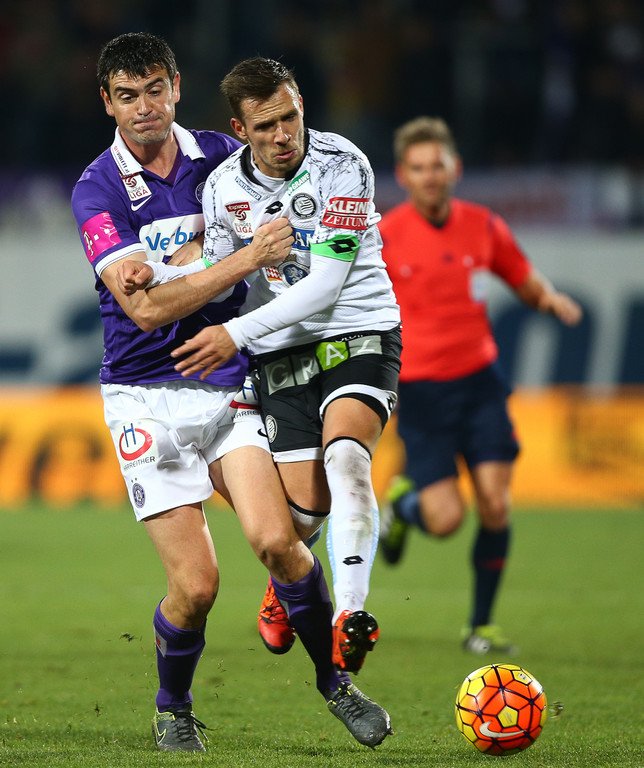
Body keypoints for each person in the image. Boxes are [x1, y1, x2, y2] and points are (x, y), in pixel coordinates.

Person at [71, 33, 392, 753]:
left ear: (176, 87)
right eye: (128, 95)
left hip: (225, 383)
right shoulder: (97, 191)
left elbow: (293, 217)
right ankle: (173, 705)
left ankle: (336, 684)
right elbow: (146, 312)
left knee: (280, 542)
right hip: (143, 396)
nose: (145, 107)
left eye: (156, 89)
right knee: (198, 587)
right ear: (107, 103)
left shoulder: (223, 157)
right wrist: (245, 259)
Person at [127, 57, 402, 676]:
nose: (283, 136)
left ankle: (349, 614)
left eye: (290, 117)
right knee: (299, 518)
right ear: (240, 128)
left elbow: (326, 286)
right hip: (282, 349)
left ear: (301, 104)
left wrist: (233, 334)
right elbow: (221, 270)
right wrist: (156, 271)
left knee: (347, 459)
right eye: (266, 126)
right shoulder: (225, 187)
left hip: (359, 329)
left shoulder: (342, 164)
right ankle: (285, 580)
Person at [376, 116, 583, 654]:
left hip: (480, 384)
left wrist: (550, 299)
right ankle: (403, 509)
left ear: (455, 168)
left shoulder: (483, 225)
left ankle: (480, 627)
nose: (429, 176)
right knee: (446, 520)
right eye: (418, 168)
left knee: (496, 505)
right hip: (422, 390)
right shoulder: (385, 236)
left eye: (437, 166)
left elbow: (522, 277)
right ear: (404, 174)